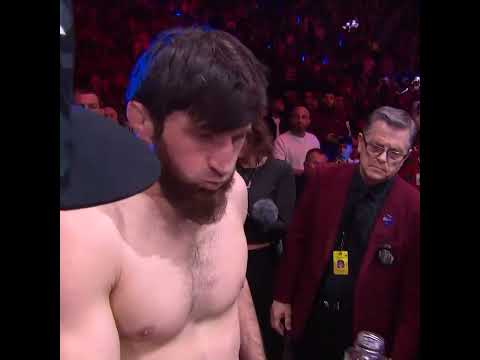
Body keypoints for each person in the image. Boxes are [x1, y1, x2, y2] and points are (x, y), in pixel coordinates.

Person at [62, 26, 270, 360]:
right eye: (205, 136)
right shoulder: (88, 231)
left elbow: (233, 289)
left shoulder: (234, 194)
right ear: (140, 120)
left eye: (237, 137)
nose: (225, 163)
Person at [271, 106, 420, 360]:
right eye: (376, 147)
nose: (383, 159)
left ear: (406, 157)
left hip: (368, 335)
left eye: (394, 153)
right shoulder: (324, 179)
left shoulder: (413, 206)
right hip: (312, 316)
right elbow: (298, 240)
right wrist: (282, 296)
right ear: (360, 143)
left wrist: (400, 353)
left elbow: (414, 293)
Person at [236, 118, 296, 360]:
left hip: (262, 261)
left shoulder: (279, 170)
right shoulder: (228, 168)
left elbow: (286, 223)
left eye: (237, 137)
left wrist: (262, 217)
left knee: (263, 330)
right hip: (230, 256)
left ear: (254, 138)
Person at [273, 105, 321, 175]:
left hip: (312, 183)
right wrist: (303, 173)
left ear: (309, 121)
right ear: (291, 119)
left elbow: (318, 165)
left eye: (303, 117)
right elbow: (279, 168)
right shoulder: (280, 141)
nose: (300, 120)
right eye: (296, 117)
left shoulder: (314, 139)